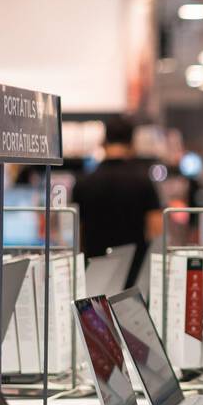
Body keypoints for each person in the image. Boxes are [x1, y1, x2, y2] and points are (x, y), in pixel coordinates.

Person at [71, 115, 162, 287]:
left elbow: (78, 234)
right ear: (132, 143)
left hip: (95, 272)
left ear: (104, 141)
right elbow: (156, 231)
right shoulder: (143, 181)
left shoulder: (84, 182)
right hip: (134, 274)